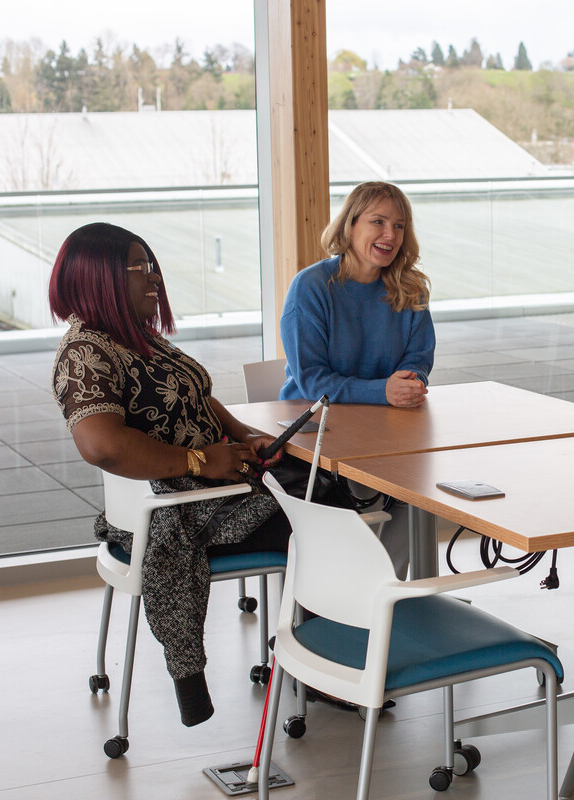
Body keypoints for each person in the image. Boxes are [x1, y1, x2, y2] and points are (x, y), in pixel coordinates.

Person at [49, 222, 290, 728]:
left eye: (151, 263)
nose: (153, 276)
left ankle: (326, 645)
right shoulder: (86, 352)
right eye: (140, 267)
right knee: (327, 512)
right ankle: (328, 660)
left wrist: (244, 435)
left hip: (212, 490)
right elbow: (102, 445)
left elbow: (197, 395)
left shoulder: (136, 338)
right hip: (181, 510)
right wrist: (201, 461)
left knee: (331, 489)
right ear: (101, 277)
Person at [278, 180, 434, 407]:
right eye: (378, 222)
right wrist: (382, 391)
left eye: (399, 226)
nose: (390, 234)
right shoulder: (310, 287)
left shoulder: (411, 288)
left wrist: (406, 385)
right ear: (349, 226)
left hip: (384, 415)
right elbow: (313, 381)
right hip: (309, 420)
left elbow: (418, 360)